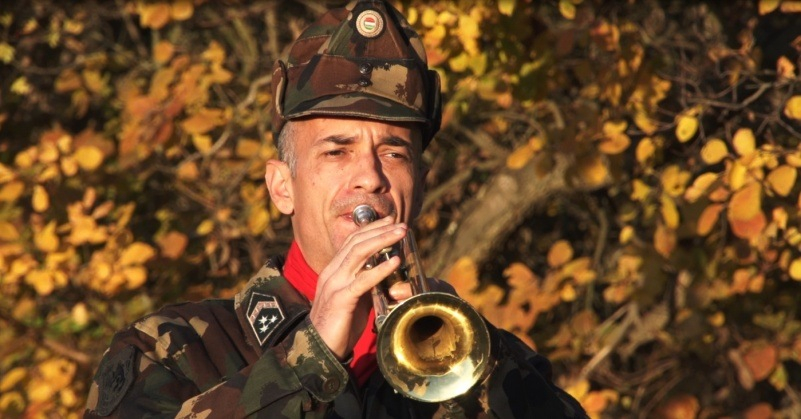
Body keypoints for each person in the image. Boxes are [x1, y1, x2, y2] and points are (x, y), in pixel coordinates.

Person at [84, 1, 588, 417]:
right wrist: (308, 358)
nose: (370, 176)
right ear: (282, 187)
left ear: (421, 187)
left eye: (394, 153)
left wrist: (477, 371)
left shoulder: (490, 360)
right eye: (336, 151)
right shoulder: (170, 349)